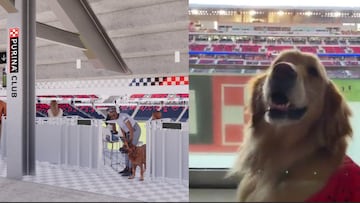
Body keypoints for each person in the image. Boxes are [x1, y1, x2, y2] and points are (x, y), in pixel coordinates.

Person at [107, 106, 141, 177]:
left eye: (113, 115)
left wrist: (130, 141)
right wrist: (125, 140)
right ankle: (127, 168)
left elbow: (131, 129)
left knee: (130, 149)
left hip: (135, 130)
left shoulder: (123, 117)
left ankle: (131, 170)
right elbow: (122, 128)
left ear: (116, 112)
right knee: (126, 149)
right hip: (128, 132)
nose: (113, 117)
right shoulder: (116, 119)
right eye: (111, 116)